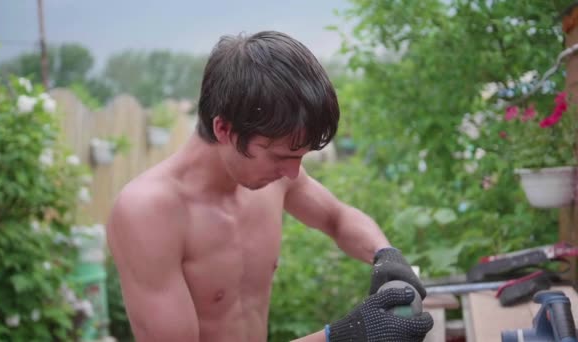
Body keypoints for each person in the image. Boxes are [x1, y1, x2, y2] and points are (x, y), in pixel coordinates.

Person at [106, 30, 434, 342]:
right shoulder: (148, 212)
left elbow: (337, 218)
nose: (293, 174)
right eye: (281, 156)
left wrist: (385, 254)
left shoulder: (270, 180)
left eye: (301, 157)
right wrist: (344, 336)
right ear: (224, 128)